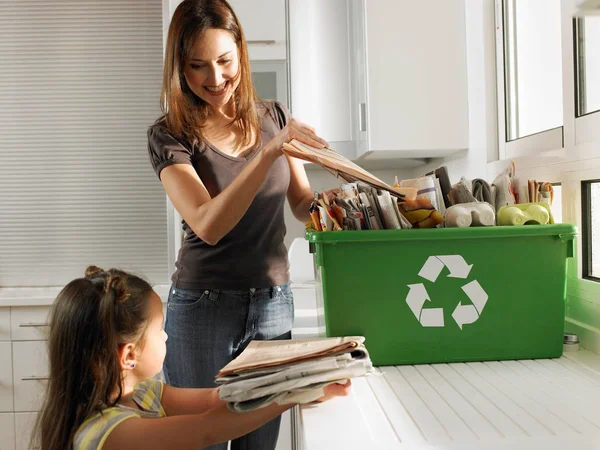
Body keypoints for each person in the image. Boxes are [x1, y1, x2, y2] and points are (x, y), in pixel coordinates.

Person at [146, 1, 332, 448]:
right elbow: (208, 224)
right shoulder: (169, 135)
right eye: (198, 66)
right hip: (202, 309)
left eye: (225, 61)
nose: (215, 78)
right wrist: (268, 154)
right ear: (180, 68)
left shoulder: (275, 118)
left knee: (259, 442)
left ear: (241, 54)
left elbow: (302, 203)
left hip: (272, 305)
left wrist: (339, 203)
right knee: (200, 438)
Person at [32, 266, 350, 450]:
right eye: (160, 330)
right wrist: (294, 394)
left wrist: (304, 374)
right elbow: (207, 428)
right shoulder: (111, 433)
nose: (167, 336)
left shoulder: (142, 395)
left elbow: (215, 399)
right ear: (129, 354)